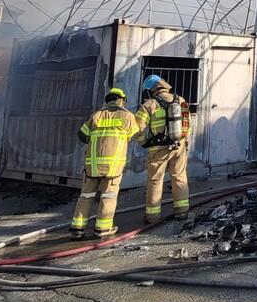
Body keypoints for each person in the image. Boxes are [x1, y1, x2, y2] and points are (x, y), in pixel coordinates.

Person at [70, 87, 141, 240]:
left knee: (86, 195)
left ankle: (77, 228)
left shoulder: (96, 115)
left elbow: (82, 135)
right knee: (108, 196)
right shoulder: (128, 116)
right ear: (121, 100)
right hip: (113, 166)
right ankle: (102, 229)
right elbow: (136, 134)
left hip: (92, 165)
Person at [136, 74, 192, 224]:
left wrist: (144, 142)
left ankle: (153, 217)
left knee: (155, 180)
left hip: (158, 148)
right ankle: (182, 212)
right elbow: (187, 125)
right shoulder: (180, 100)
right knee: (179, 176)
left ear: (151, 89)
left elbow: (138, 129)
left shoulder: (149, 105)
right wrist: (184, 141)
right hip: (178, 146)